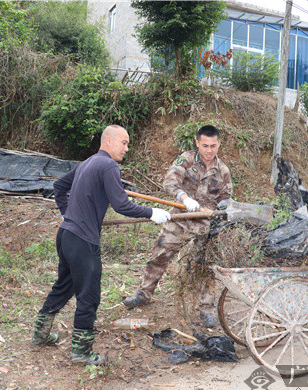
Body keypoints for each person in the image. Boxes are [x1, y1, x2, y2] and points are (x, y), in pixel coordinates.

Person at [31, 125, 171, 365]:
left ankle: (40, 335)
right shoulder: (108, 166)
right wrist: (151, 213)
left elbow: (58, 187)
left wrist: (67, 215)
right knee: (89, 295)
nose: (127, 148)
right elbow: (122, 205)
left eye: (128, 144)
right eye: (123, 143)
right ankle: (81, 352)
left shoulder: (87, 163)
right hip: (83, 240)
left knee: (63, 285)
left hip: (66, 236)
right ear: (108, 141)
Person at [123, 125, 233, 328]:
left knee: (204, 267)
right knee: (159, 257)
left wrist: (224, 205)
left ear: (219, 144)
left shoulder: (223, 171)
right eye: (205, 145)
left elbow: (226, 197)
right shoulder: (186, 159)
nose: (209, 150)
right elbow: (170, 182)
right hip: (179, 219)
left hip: (204, 227)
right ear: (197, 143)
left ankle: (206, 309)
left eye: (213, 146)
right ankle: (143, 294)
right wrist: (183, 197)